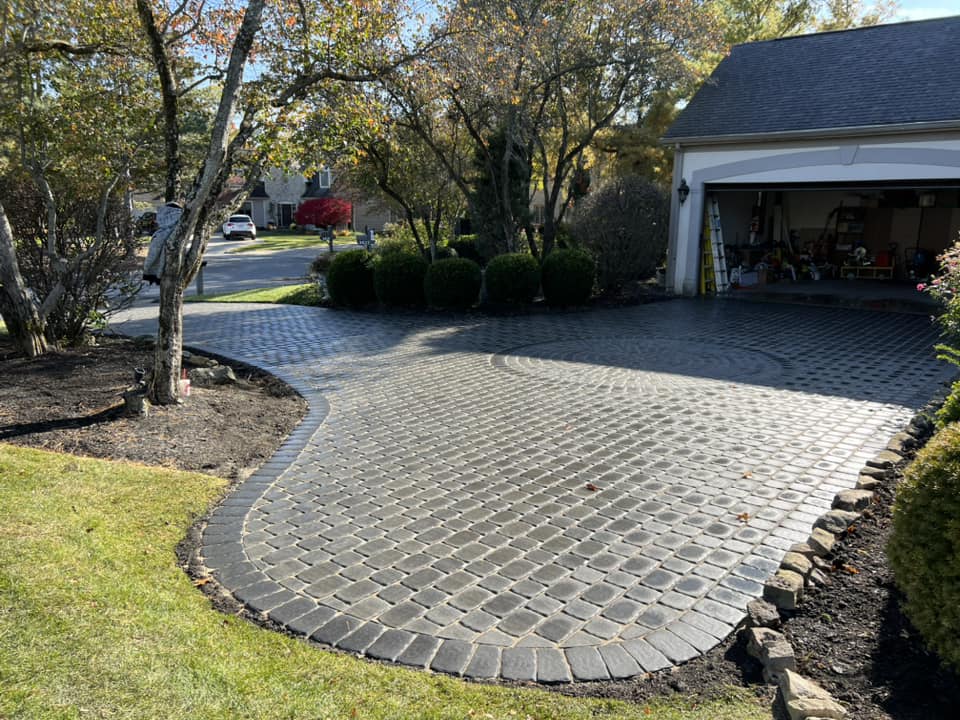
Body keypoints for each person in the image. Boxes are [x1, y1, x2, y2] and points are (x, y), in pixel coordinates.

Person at [143, 202, 183, 284]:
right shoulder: (179, 227)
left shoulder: (163, 232)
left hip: (168, 268)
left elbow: (153, 253)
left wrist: (147, 270)